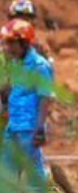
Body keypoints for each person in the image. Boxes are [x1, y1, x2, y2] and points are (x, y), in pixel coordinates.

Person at [1, 19, 53, 183]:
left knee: (33, 171)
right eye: (6, 44)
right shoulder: (16, 64)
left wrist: (40, 129)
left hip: (29, 127)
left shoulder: (40, 66)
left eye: (11, 44)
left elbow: (45, 98)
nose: (7, 48)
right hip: (13, 124)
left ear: (24, 43)